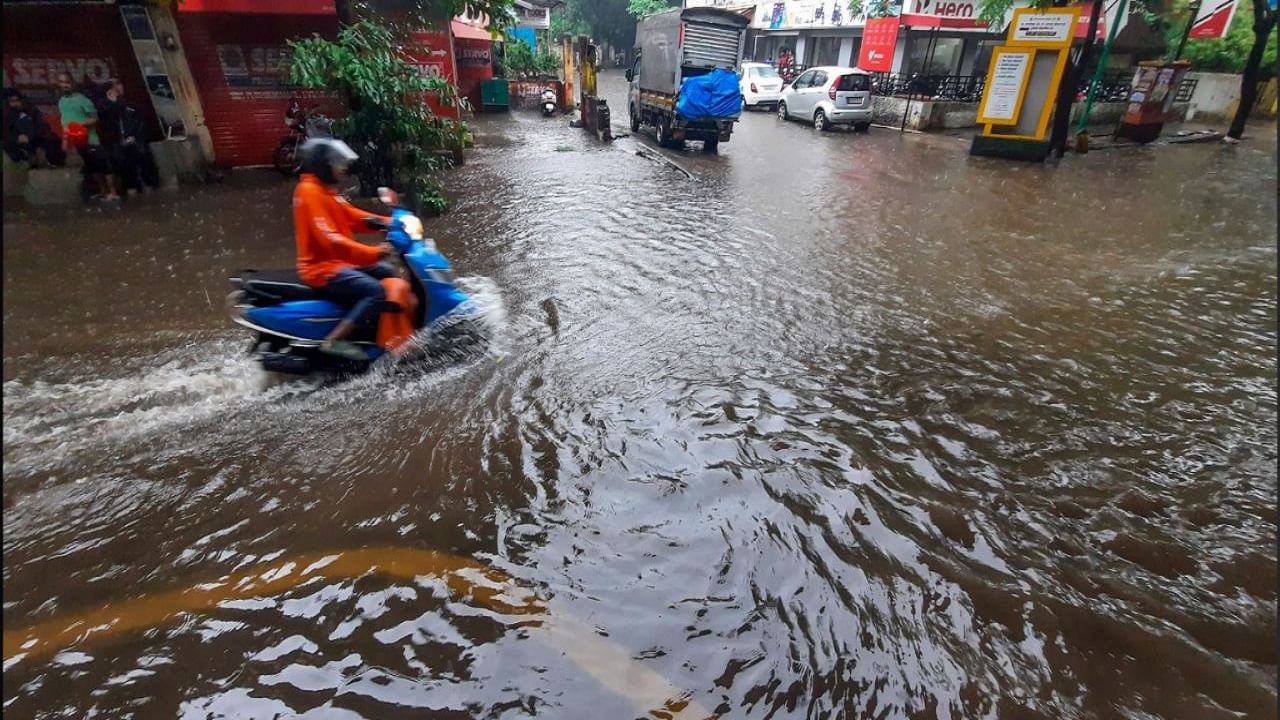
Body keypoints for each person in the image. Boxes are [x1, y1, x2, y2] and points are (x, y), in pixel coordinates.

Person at [293, 137, 396, 361]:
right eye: (336, 163)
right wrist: (374, 252)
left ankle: (372, 329)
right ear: (323, 164)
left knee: (386, 272)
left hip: (337, 264)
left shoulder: (325, 191)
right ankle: (334, 340)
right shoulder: (309, 192)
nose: (342, 168)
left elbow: (353, 217)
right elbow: (332, 241)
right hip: (321, 269)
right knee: (375, 291)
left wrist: (390, 222)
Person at [56, 73, 117, 202]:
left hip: (91, 139)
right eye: (62, 82)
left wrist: (79, 124)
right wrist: (65, 140)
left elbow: (95, 118)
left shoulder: (82, 99)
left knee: (103, 166)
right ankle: (102, 191)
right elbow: (65, 122)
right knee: (93, 167)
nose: (65, 85)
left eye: (67, 82)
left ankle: (112, 192)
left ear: (72, 83)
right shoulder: (61, 101)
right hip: (77, 142)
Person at [99, 79, 152, 195]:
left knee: (145, 168)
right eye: (113, 86)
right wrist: (112, 102)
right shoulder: (104, 106)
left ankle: (148, 190)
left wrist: (135, 136)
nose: (117, 88)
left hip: (135, 142)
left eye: (119, 83)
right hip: (118, 144)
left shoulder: (131, 105)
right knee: (126, 173)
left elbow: (140, 122)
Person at [4, 89, 65, 167]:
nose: (16, 103)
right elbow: (5, 132)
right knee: (9, 145)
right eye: (12, 101)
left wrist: (31, 136)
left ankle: (54, 162)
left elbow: (42, 125)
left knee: (52, 138)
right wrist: (16, 138)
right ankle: (26, 160)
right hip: (15, 140)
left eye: (17, 100)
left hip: (34, 136)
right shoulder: (6, 115)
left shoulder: (31, 109)